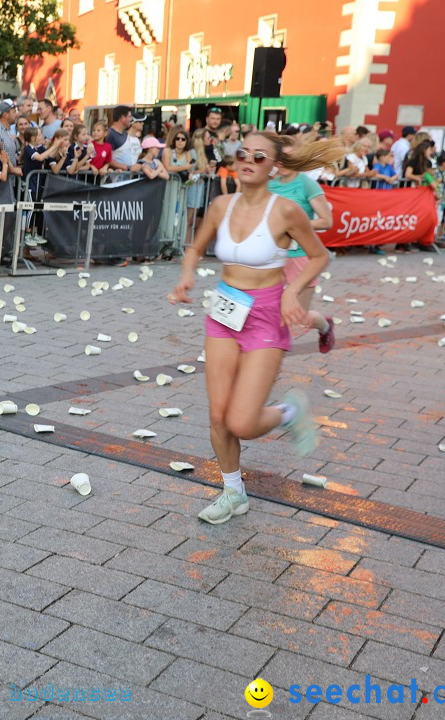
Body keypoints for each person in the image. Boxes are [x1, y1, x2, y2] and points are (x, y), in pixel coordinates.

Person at [168, 133, 344, 525]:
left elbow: (319, 256)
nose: (248, 159)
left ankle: (287, 411)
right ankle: (233, 492)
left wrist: (292, 291)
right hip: (225, 312)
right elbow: (195, 247)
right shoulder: (220, 205)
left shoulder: (285, 211)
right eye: (242, 153)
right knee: (218, 414)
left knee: (243, 422)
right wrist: (186, 278)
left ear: (274, 166)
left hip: (265, 316)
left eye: (258, 156)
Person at [268, 139, 336, 351]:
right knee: (269, 311)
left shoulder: (306, 184)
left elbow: (326, 221)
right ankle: (267, 356)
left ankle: (325, 327)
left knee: (299, 316)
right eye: (282, 158)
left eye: (291, 158)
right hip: (273, 256)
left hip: (300, 256)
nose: (285, 163)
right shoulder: (269, 182)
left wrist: (295, 226)